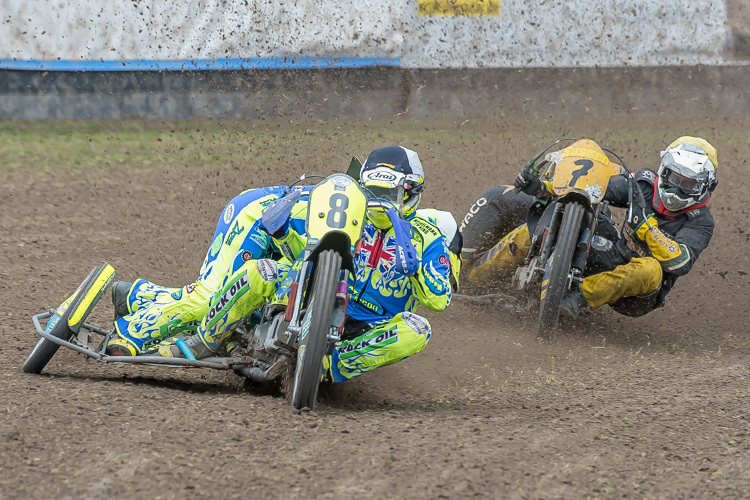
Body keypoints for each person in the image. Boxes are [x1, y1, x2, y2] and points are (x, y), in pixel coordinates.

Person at [107, 145, 459, 385]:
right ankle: (198, 340)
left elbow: (439, 300)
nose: (381, 204)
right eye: (375, 194)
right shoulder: (345, 212)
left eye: (392, 196)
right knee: (234, 282)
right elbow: (298, 249)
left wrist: (415, 268)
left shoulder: (427, 237)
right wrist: (280, 230)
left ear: (412, 195)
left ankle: (323, 368)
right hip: (303, 292)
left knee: (418, 328)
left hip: (363, 331)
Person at [460, 137, 717, 318]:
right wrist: (544, 188)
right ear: (663, 171)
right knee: (546, 226)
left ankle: (575, 300)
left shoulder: (701, 221)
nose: (677, 189)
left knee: (650, 269)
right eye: (673, 179)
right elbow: (595, 189)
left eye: (689, 184)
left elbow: (681, 262)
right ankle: (473, 278)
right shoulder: (643, 183)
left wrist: (648, 230)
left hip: (638, 294)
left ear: (707, 186)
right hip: (613, 254)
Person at [105, 185, 312, 357]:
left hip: (281, 219)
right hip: (259, 215)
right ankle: (131, 332)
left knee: (237, 305)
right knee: (214, 297)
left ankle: (137, 296)